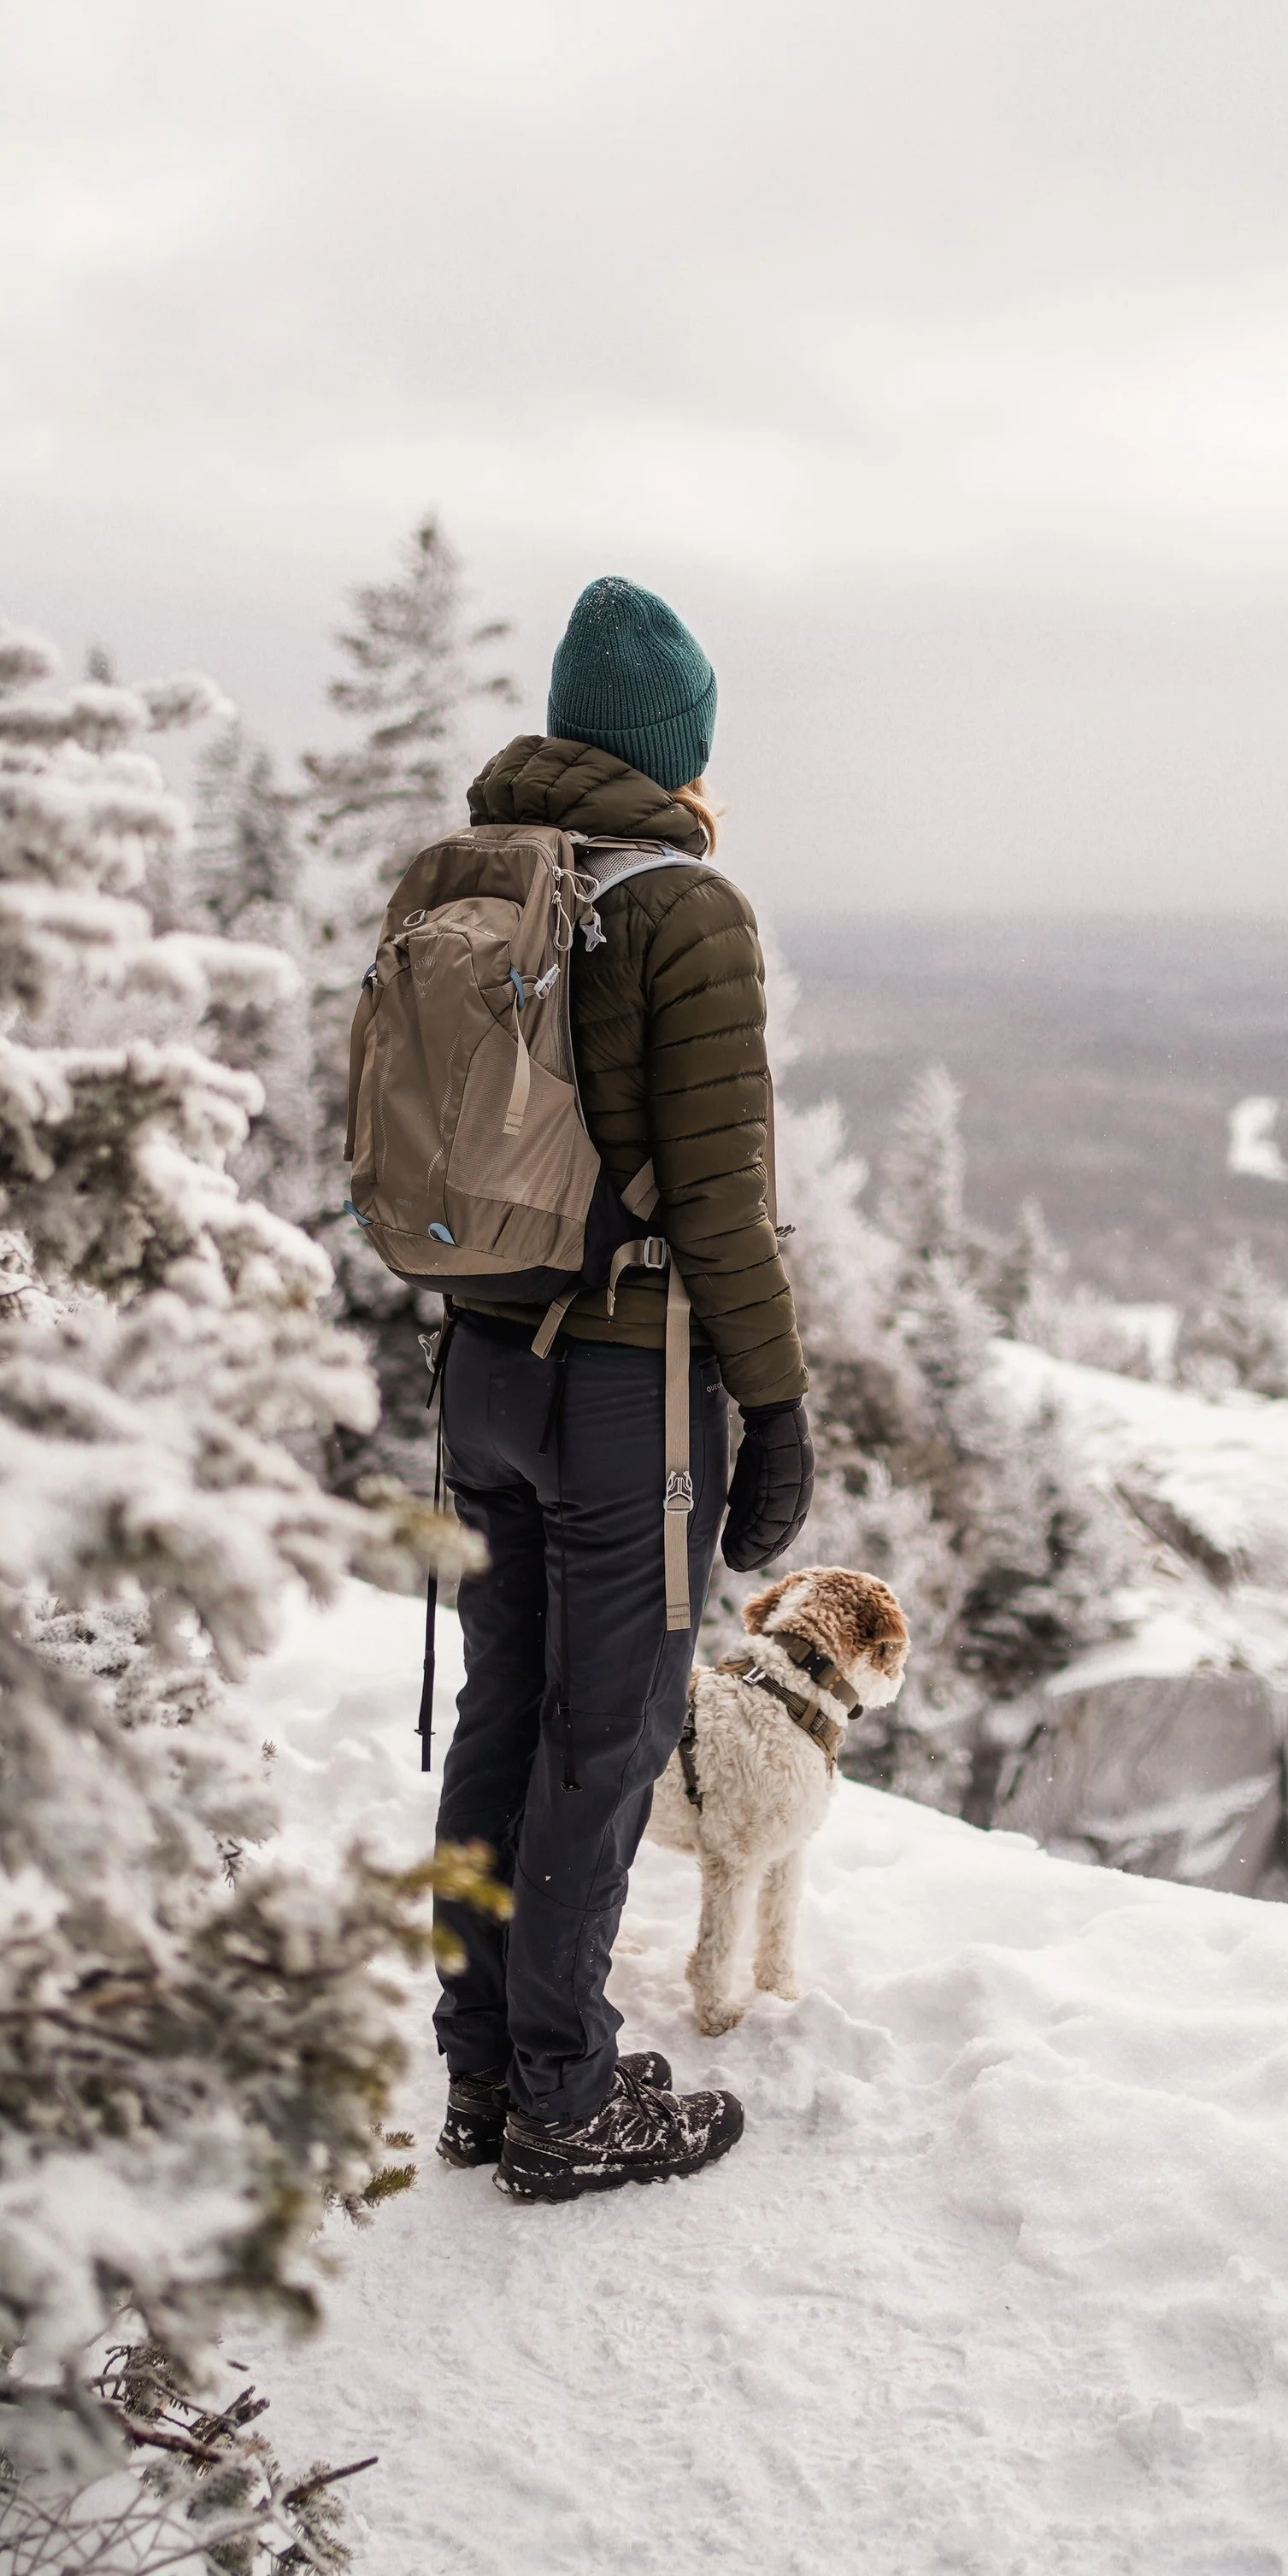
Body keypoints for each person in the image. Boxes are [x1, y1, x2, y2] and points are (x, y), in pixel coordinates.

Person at [429, 575, 815, 2203]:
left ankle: (485, 2067)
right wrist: (778, 1409)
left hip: (478, 1372)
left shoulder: (472, 878)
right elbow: (719, 1197)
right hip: (623, 1389)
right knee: (615, 1729)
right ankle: (570, 2100)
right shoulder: (681, 909)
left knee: (509, 1708)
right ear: (680, 746)